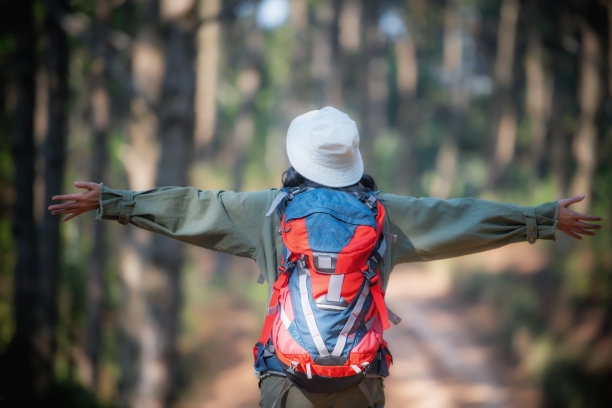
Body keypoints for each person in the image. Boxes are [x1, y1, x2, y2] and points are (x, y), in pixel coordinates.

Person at [49, 106, 602, 407]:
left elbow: (194, 208)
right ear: (352, 159)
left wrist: (116, 203)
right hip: (359, 383)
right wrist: (539, 218)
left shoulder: (266, 211)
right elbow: (457, 216)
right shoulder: (386, 212)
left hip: (288, 383)